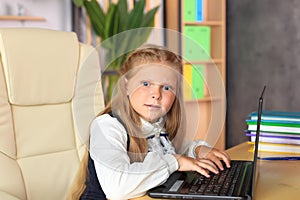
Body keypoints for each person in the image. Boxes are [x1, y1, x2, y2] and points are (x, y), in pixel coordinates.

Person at [69, 44, 230, 200]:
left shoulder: (156, 124)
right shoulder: (106, 126)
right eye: (146, 84)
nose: (156, 95)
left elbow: (167, 150)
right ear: (126, 86)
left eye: (167, 87)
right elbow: (116, 188)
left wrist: (196, 150)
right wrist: (176, 162)